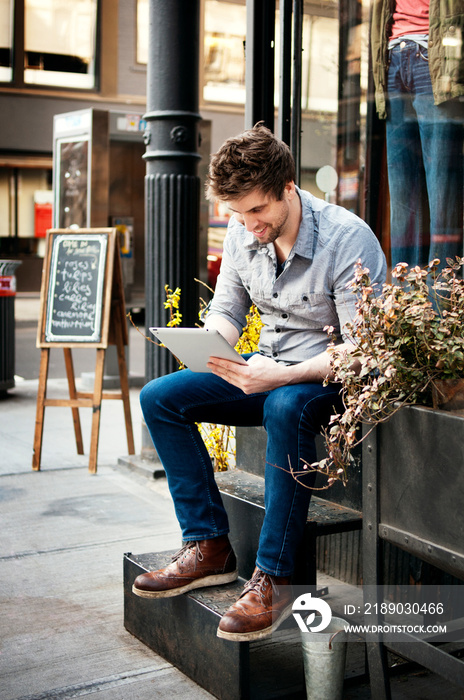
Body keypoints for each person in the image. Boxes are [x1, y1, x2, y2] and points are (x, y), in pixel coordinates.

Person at [132, 124, 386, 642]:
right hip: (264, 368)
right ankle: (209, 546)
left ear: (288, 189)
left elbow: (363, 352)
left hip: (326, 379)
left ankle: (272, 576)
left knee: (285, 407)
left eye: (256, 211)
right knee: (160, 397)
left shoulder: (346, 238)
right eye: (237, 213)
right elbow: (227, 310)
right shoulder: (243, 230)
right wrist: (210, 351)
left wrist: (283, 375)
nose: (248, 226)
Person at [371, 0, 464, 269]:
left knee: (443, 194)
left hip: (435, 54)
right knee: (402, 199)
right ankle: (407, 302)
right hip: (392, 57)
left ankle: (442, 303)